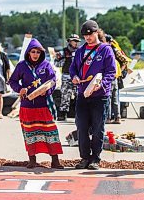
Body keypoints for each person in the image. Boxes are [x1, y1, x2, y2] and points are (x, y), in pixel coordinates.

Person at [8, 38, 63, 169]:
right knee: (30, 133)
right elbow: (13, 81)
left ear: (41, 53)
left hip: (44, 105)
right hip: (27, 106)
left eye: (38, 52)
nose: (35, 54)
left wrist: (47, 90)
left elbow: (53, 81)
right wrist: (19, 89)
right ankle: (32, 160)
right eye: (33, 52)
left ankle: (55, 160)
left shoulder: (46, 65)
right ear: (28, 53)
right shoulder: (21, 65)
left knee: (50, 132)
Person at [69, 20, 116, 170]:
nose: (88, 38)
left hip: (100, 95)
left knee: (98, 127)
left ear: (97, 33)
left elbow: (111, 72)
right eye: (85, 36)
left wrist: (100, 85)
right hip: (83, 94)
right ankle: (84, 157)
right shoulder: (80, 51)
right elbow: (73, 69)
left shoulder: (106, 50)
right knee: (81, 127)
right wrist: (74, 77)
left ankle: (95, 158)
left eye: (90, 35)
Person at [55, 34, 81, 121]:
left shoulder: (80, 52)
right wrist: (62, 60)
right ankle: (62, 114)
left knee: (79, 95)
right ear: (69, 41)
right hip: (66, 76)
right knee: (65, 95)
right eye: (74, 41)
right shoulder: (63, 52)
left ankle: (79, 115)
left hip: (78, 77)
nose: (76, 43)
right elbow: (56, 64)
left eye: (77, 41)